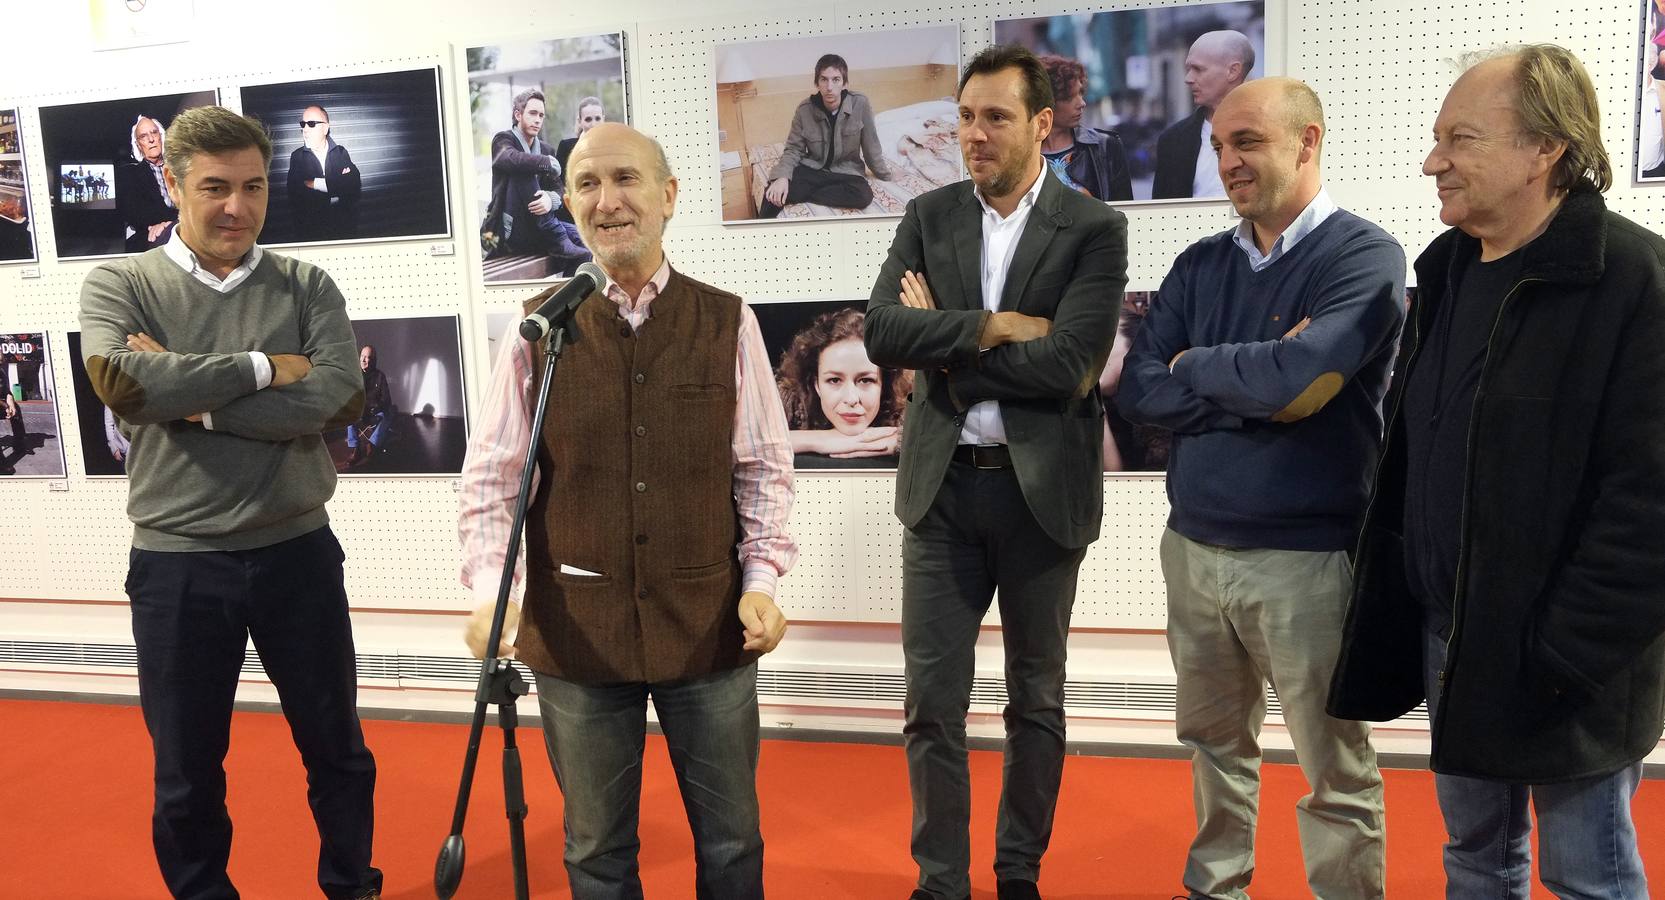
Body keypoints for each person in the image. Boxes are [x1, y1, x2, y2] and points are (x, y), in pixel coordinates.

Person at [1328, 45, 1665, 898]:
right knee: (1475, 857)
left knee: (1586, 874)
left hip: (1568, 657)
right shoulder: (1442, 272)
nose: (1433, 160)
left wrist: (1566, 652)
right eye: (1437, 138)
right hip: (1452, 635)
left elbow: (1649, 500)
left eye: (1461, 138)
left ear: (1542, 149)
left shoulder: (1631, 278)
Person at [458, 121, 796, 900]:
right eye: (586, 184)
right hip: (576, 630)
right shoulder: (537, 328)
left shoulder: (726, 320)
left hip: (706, 622)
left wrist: (763, 582)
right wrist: (490, 594)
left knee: (732, 843)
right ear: (568, 203)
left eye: (625, 179)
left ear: (669, 196)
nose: (607, 201)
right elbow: (492, 478)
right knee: (595, 851)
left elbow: (763, 469)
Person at [77, 105, 381, 900]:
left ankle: (352, 885)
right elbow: (121, 382)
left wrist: (191, 396)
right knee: (185, 770)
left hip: (298, 556)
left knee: (338, 751)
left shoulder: (305, 283)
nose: (235, 207)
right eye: (213, 187)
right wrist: (267, 367)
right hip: (177, 566)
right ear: (173, 183)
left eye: (251, 187)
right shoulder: (122, 282)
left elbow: (341, 396)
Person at [1118, 77, 1404, 900]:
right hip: (1192, 550)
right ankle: (1216, 889)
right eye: (1216, 145)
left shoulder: (1362, 256)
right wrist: (1260, 385)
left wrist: (1197, 368)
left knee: (1333, 767)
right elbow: (1138, 392)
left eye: (1246, 141)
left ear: (1307, 141)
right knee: (1212, 747)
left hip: (1305, 561)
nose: (1226, 162)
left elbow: (1302, 383)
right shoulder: (1199, 263)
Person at [864, 44, 1127, 900]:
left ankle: (1017, 873)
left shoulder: (1092, 227)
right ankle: (941, 882)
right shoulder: (929, 213)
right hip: (940, 494)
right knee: (930, 705)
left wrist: (942, 345)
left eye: (994, 118)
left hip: (1038, 496)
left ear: (1041, 126)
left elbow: (1072, 365)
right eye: (965, 117)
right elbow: (879, 333)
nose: (972, 135)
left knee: (1034, 702)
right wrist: (990, 327)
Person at [759, 53, 893, 218]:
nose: (829, 87)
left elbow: (871, 146)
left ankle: (804, 193)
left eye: (836, 79)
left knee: (863, 196)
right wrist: (781, 177)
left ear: (844, 83)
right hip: (813, 169)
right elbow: (794, 149)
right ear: (817, 83)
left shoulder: (860, 103)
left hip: (846, 171)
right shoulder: (804, 110)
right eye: (824, 79)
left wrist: (886, 174)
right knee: (773, 194)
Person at [776, 306, 910, 466]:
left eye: (866, 380)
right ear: (816, 383)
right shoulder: (790, 399)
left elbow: (943, 441)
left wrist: (907, 442)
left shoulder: (907, 406)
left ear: (884, 383)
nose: (851, 399)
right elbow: (745, 441)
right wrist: (819, 440)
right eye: (834, 380)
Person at [480, 88, 591, 276]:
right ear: (518, 114)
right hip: (508, 232)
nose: (538, 119)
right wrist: (546, 162)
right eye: (532, 113)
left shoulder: (546, 148)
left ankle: (568, 295)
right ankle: (556, 236)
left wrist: (550, 199)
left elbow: (558, 188)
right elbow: (508, 158)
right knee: (522, 167)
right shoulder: (503, 140)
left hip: (538, 231)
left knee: (586, 244)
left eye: (541, 115)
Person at [1150, 31, 1254, 201]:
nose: (1188, 79)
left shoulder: (1270, 130)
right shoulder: (1172, 141)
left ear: (1233, 71)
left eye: (1198, 69)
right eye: (1188, 69)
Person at [1038, 54, 1133, 201]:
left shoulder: (1105, 146)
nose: (1082, 103)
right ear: (1047, 102)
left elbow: (1125, 213)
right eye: (1069, 97)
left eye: (1081, 93)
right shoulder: (1021, 152)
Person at [286, 105, 362, 242]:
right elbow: (296, 193)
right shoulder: (297, 157)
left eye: (311, 124)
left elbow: (354, 184)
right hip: (312, 233)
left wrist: (314, 183)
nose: (305, 129)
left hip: (344, 230)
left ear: (325, 128)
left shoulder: (341, 152)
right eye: (303, 124)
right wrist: (338, 187)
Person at [116, 115, 178, 253]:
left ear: (161, 137)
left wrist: (172, 224)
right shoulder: (130, 174)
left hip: (182, 228)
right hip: (148, 235)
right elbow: (134, 212)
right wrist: (165, 224)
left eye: (154, 133)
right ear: (138, 145)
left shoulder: (178, 167)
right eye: (143, 136)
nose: (151, 140)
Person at [341, 344, 390, 471]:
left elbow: (386, 400)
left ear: (373, 360)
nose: (363, 360)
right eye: (362, 356)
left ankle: (371, 444)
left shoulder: (380, 376)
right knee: (349, 414)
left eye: (367, 357)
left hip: (374, 412)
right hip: (359, 412)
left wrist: (376, 408)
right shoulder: (354, 375)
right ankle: (355, 449)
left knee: (387, 415)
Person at [554, 95, 606, 195]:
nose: (593, 124)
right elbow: (560, 185)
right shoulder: (566, 147)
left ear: (603, 119)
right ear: (580, 121)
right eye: (588, 119)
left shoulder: (612, 147)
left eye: (597, 118)